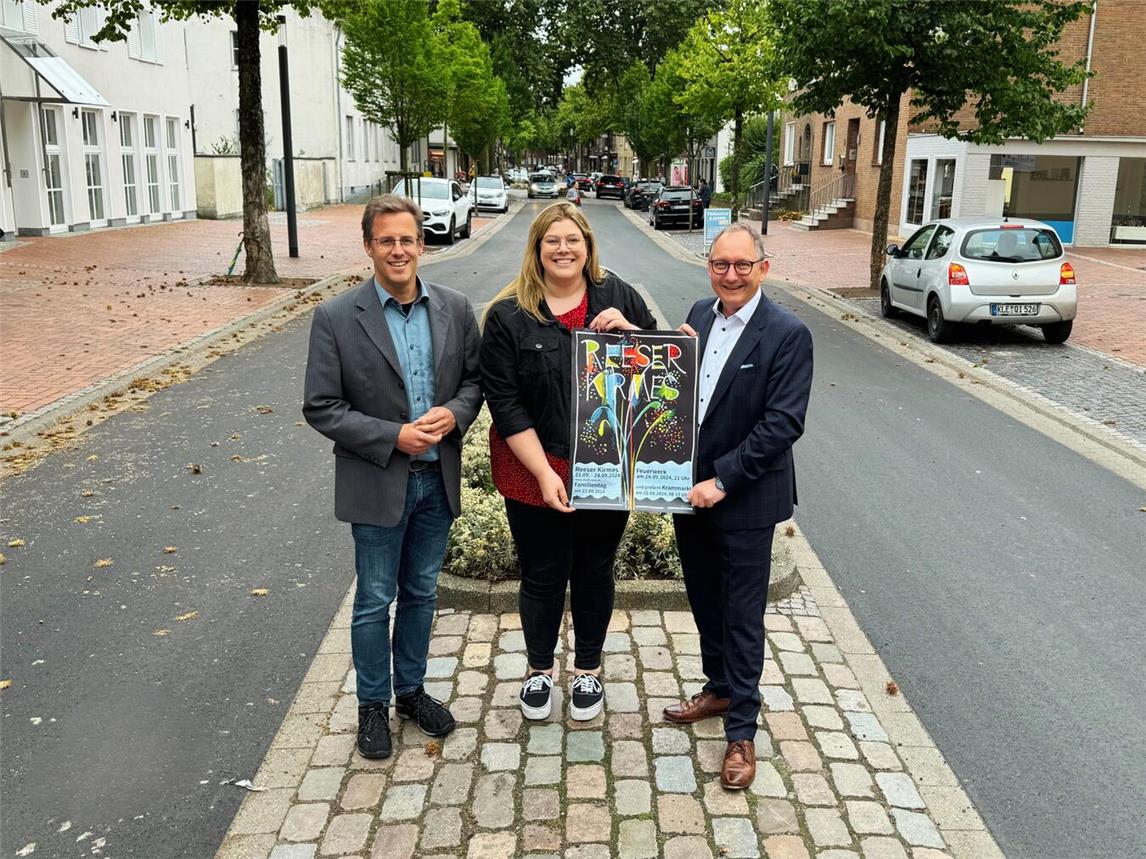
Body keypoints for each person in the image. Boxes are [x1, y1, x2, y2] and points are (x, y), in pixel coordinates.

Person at [303, 195, 483, 760]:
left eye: (407, 239)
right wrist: (392, 436)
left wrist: (454, 413)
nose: (398, 250)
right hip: (378, 481)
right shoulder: (336, 317)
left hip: (436, 481)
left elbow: (475, 382)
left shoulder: (455, 307)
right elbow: (321, 406)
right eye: (386, 241)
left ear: (422, 245)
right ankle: (371, 706)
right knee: (374, 600)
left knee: (422, 593)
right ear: (368, 247)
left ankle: (410, 692)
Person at [480, 202, 657, 722]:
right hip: (532, 464)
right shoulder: (509, 314)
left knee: (595, 569)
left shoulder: (619, 295)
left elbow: (660, 371)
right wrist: (542, 473)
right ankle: (539, 669)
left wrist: (633, 333)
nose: (563, 249)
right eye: (552, 241)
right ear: (537, 249)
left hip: (607, 463)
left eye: (572, 240)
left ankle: (587, 670)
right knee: (542, 572)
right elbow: (505, 403)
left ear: (587, 246)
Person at [664, 221, 813, 789]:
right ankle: (720, 689)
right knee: (705, 601)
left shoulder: (787, 333)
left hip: (744, 498)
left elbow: (782, 424)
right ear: (708, 267)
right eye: (720, 264)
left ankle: (742, 734)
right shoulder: (699, 314)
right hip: (690, 494)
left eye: (742, 265)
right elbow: (682, 388)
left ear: (763, 268)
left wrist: (722, 480)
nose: (731, 275)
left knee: (743, 616)